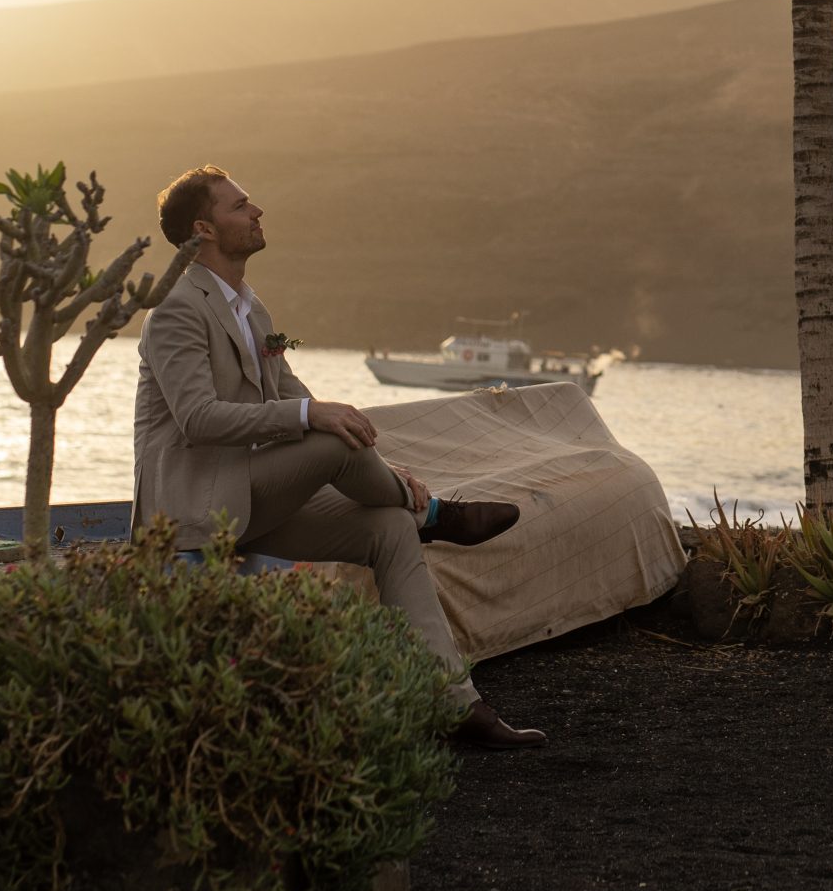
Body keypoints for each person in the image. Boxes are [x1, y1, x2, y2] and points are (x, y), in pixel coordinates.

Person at [134, 165, 547, 750]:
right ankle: (437, 517)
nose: (257, 212)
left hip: (253, 499)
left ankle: (458, 705)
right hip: (196, 509)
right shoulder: (174, 309)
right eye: (240, 206)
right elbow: (198, 420)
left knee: (386, 525)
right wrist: (311, 418)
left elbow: (289, 386)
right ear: (203, 229)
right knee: (329, 438)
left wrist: (362, 448)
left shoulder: (256, 311)